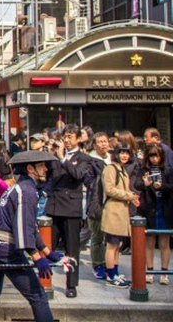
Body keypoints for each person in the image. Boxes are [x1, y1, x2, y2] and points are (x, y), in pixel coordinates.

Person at [0, 151, 62, 322]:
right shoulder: (26, 191)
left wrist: (47, 252)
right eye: (41, 166)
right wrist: (36, 257)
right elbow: (23, 227)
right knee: (38, 296)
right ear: (30, 168)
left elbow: (31, 226)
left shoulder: (19, 187)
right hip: (5, 248)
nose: (45, 169)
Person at [45, 124, 91, 298]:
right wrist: (49, 156)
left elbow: (78, 175)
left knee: (72, 249)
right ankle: (44, 281)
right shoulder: (56, 157)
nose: (67, 140)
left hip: (71, 208)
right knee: (48, 247)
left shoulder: (84, 158)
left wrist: (63, 158)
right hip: (55, 205)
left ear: (78, 139)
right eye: (65, 136)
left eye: (71, 136)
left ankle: (71, 284)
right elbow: (47, 177)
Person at [102, 143, 140, 287]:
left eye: (127, 153)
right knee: (112, 245)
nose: (124, 155)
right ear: (116, 153)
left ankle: (115, 273)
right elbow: (110, 189)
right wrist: (128, 195)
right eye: (122, 152)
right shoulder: (111, 168)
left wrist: (131, 197)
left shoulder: (121, 169)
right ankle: (111, 276)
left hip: (121, 211)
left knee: (116, 245)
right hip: (113, 211)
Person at [135, 144, 172, 285]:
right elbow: (137, 184)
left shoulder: (167, 170)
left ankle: (164, 273)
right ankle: (149, 272)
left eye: (157, 155)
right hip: (148, 207)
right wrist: (145, 184)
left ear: (161, 156)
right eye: (151, 155)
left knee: (164, 242)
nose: (154, 159)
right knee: (149, 242)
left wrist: (161, 186)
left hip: (164, 208)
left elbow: (171, 186)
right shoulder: (143, 170)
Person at [84, 131, 111, 280]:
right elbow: (88, 182)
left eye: (105, 141)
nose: (103, 144)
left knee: (111, 238)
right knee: (97, 237)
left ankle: (110, 264)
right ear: (94, 145)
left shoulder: (113, 159)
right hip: (96, 203)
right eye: (100, 142)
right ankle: (98, 264)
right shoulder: (90, 161)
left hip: (112, 205)